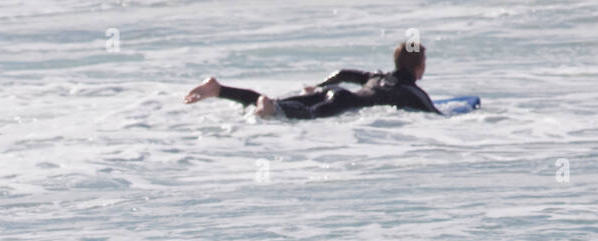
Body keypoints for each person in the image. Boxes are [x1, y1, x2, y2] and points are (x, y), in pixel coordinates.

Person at [184, 42, 440, 119]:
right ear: (419, 68)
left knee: (276, 105)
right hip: (345, 100)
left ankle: (218, 89)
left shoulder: (377, 76)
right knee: (301, 116)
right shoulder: (411, 92)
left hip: (335, 91)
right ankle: (265, 105)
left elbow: (343, 73)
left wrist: (319, 87)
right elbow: (436, 114)